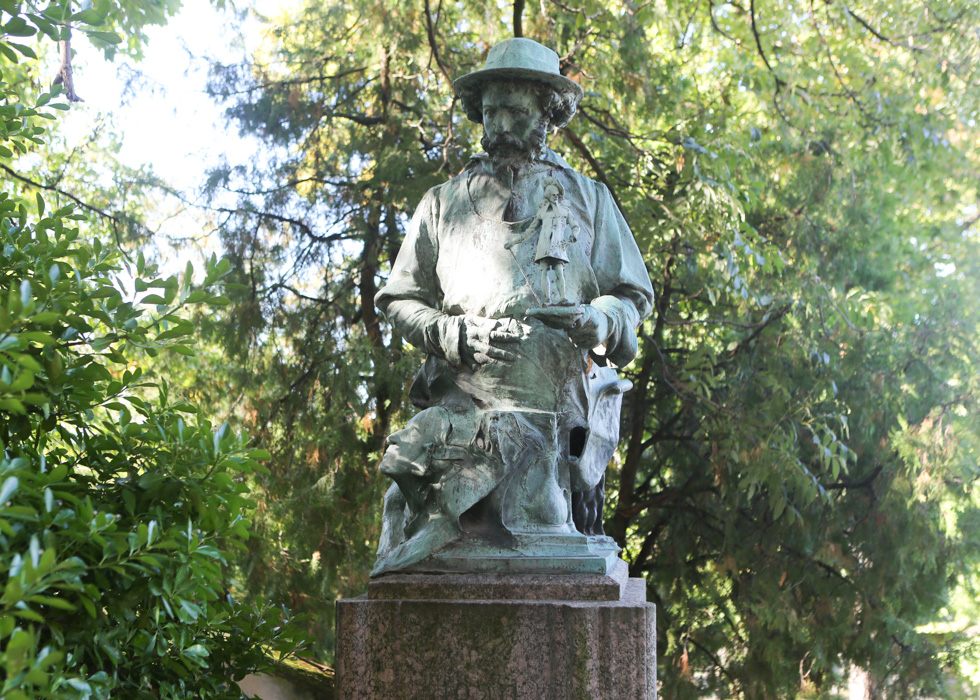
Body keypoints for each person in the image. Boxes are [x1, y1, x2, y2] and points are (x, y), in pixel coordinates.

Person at [374, 38, 654, 558]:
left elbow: (633, 294)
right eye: (491, 110)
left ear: (547, 113)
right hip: (464, 401)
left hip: (560, 407)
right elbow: (399, 299)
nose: (500, 125)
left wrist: (602, 318)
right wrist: (449, 332)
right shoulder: (442, 203)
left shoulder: (589, 199)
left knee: (548, 526)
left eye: (516, 111)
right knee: (410, 494)